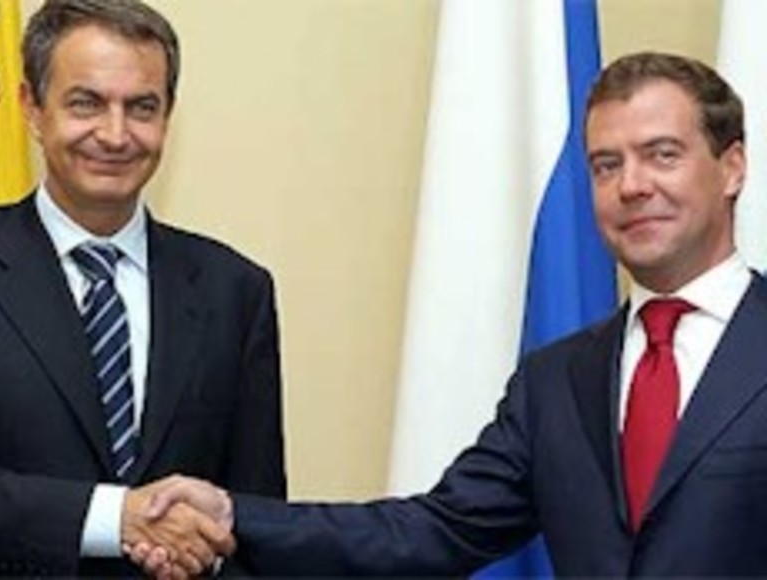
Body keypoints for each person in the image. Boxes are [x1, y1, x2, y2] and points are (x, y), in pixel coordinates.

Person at [140, 50, 765, 577]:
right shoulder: (556, 381)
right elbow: (433, 530)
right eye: (607, 165)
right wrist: (233, 515)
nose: (631, 185)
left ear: (732, 168)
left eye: (662, 155)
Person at [0, 0, 285, 576]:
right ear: (31, 107)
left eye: (141, 107)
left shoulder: (235, 292)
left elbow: (257, 518)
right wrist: (115, 518)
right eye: (85, 103)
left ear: (168, 115)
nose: (115, 135)